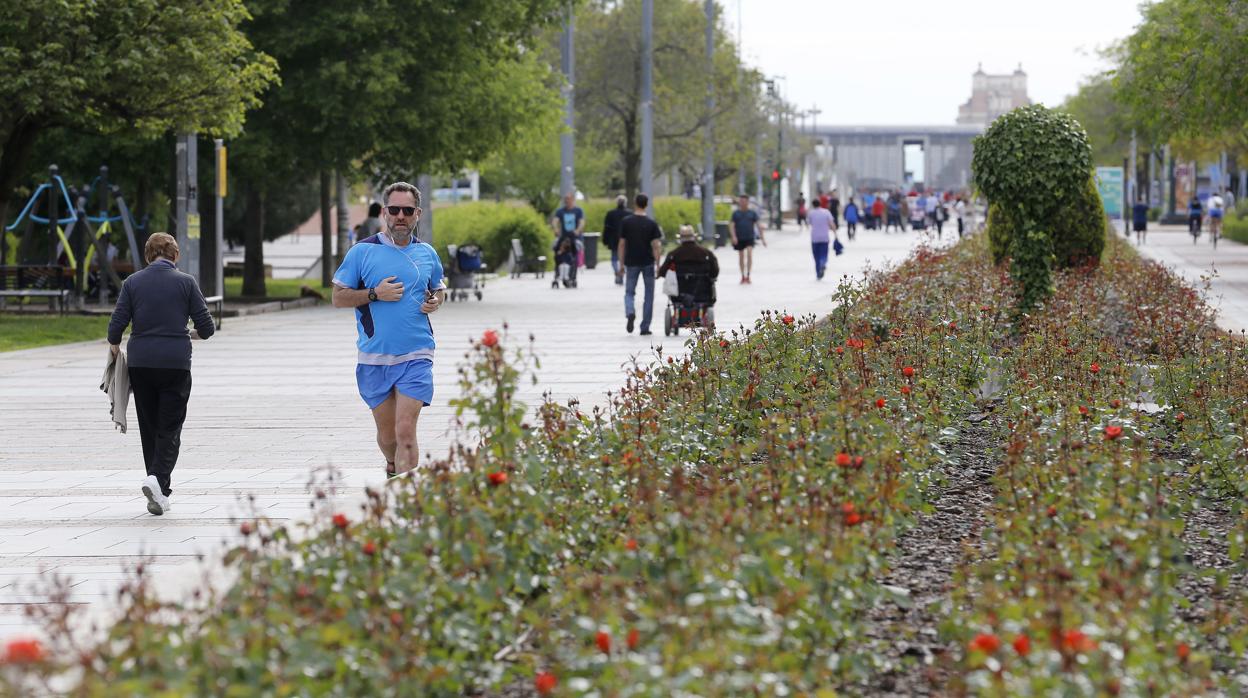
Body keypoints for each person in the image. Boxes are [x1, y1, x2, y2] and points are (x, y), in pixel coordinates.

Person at [331, 182, 446, 480]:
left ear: (417, 214)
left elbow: (439, 290)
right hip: (374, 358)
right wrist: (374, 294)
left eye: (407, 211)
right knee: (388, 437)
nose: (400, 216)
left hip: (417, 353)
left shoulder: (427, 253)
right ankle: (392, 464)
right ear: (384, 212)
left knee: (405, 431)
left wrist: (435, 301)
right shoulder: (362, 252)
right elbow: (338, 297)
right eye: (394, 210)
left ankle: (409, 500)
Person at [107, 233, 215, 516]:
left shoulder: (132, 283)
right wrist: (187, 333)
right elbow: (207, 327)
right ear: (175, 256)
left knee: (150, 427)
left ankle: (159, 492)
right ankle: (157, 480)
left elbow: (115, 326)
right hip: (175, 364)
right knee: (170, 427)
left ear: (147, 256)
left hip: (141, 364)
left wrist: (115, 346)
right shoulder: (186, 283)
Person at [616, 194, 663, 334]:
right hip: (648, 262)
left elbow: (622, 244)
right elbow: (656, 245)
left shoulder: (626, 222)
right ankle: (645, 327)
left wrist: (621, 264)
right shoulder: (651, 223)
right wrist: (658, 264)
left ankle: (630, 311)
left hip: (631, 262)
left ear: (635, 203)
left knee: (629, 292)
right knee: (649, 295)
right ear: (646, 204)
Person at [730, 194, 766, 283]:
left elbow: (759, 225)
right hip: (739, 237)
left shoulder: (752, 213)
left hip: (749, 237)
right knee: (741, 256)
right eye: (741, 201)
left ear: (748, 202)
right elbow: (732, 225)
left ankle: (749, 274)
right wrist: (733, 236)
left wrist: (763, 238)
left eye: (744, 201)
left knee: (749, 253)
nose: (742, 203)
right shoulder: (736, 213)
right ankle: (742, 275)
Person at [551, 192, 585, 284]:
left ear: (573, 200)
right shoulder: (560, 211)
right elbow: (555, 221)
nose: (567, 201)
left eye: (569, 199)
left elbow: (581, 222)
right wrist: (556, 229)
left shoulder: (578, 211)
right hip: (563, 237)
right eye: (565, 199)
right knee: (558, 253)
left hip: (573, 237)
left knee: (573, 256)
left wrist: (578, 230)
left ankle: (572, 276)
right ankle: (558, 275)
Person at [602, 194, 630, 284]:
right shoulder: (629, 214)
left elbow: (607, 228)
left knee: (614, 258)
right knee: (625, 258)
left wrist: (605, 240)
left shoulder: (610, 214)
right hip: (627, 240)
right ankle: (621, 273)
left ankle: (618, 272)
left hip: (614, 240)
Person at [806, 197, 834, 279]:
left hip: (815, 238)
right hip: (825, 237)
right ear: (820, 204)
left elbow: (809, 223)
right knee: (824, 254)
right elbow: (831, 224)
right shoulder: (826, 212)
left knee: (816, 256)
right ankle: (823, 264)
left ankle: (818, 273)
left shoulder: (811, 213)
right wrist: (835, 234)